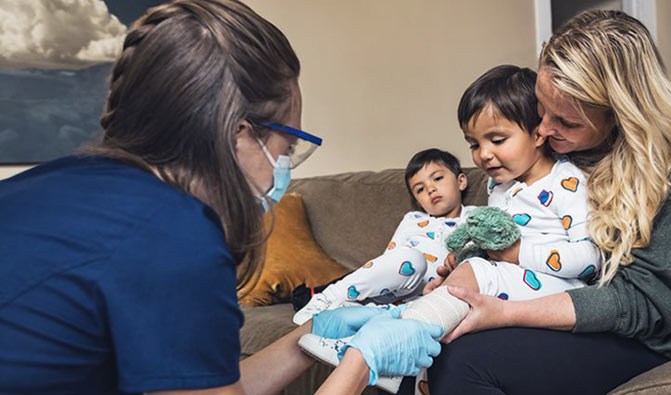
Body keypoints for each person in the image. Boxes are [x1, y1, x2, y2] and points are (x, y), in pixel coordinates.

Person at [0, 1, 443, 394]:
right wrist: (360, 365)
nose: (285, 166)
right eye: (286, 148)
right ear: (237, 134)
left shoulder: (50, 186)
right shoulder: (174, 236)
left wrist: (307, 338)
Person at [424, 10, 671, 395]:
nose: (542, 129)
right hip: (564, 301)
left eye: (567, 122)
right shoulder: (550, 159)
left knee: (465, 361)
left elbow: (642, 304)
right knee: (432, 347)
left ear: (620, 115)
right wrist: (468, 277)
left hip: (649, 338)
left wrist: (506, 311)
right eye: (541, 109)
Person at [302, 65, 603, 395]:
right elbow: (491, 241)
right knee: (448, 288)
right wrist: (458, 265)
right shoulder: (500, 186)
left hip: (560, 291)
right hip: (509, 281)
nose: (483, 155)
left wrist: (514, 256)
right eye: (473, 144)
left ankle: (384, 348)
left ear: (538, 133)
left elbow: (589, 258)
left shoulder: (568, 181)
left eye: (497, 140)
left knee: (473, 273)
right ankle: (395, 350)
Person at [293, 148, 474, 326]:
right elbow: (391, 255)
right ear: (418, 201)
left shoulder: (475, 218)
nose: (431, 189)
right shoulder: (414, 219)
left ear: (461, 181)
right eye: (420, 189)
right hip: (400, 283)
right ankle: (325, 299)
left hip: (425, 298)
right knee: (411, 259)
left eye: (438, 178)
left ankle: (354, 313)